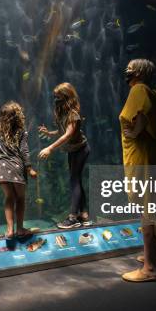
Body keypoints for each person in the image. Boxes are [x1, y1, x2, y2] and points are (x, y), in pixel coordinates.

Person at [120, 59, 156, 282]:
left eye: (130, 69)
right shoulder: (154, 93)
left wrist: (135, 131)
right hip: (155, 156)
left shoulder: (139, 89)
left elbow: (142, 113)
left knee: (146, 210)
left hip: (142, 158)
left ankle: (149, 269)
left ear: (139, 72)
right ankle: (155, 256)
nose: (126, 72)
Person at [38, 83, 91, 229]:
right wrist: (49, 133)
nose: (55, 100)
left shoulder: (73, 114)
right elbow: (63, 131)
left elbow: (68, 134)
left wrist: (50, 148)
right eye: (55, 97)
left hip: (80, 149)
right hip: (73, 150)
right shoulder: (63, 112)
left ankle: (72, 217)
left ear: (67, 97)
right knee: (77, 180)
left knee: (74, 181)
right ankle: (84, 215)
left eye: (58, 97)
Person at [0, 101, 38, 240]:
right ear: (18, 116)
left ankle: (9, 231)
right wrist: (29, 168)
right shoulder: (21, 131)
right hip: (16, 168)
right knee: (20, 199)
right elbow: (24, 150)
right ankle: (20, 229)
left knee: (9, 198)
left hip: (1, 169)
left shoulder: (0, 129)